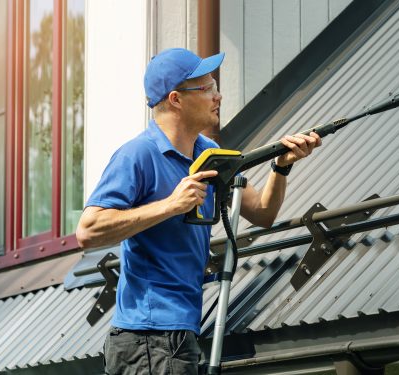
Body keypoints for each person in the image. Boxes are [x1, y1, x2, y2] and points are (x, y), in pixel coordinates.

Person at [76, 48, 321, 374]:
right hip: (147, 336)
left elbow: (263, 213)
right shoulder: (138, 155)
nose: (218, 96)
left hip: (180, 331)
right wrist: (170, 205)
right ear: (176, 99)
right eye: (207, 88)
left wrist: (281, 167)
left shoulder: (211, 153)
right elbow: (88, 231)